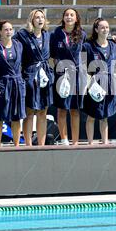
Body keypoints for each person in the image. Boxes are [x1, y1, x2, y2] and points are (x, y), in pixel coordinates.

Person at [14, 10, 54, 146]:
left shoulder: (47, 35)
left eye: (42, 17)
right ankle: (28, 144)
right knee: (30, 111)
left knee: (43, 112)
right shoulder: (22, 35)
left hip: (45, 74)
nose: (40, 20)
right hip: (30, 74)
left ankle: (41, 145)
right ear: (31, 20)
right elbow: (10, 44)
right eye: (37, 17)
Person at [50, 8, 87, 146]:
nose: (69, 17)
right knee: (62, 108)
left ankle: (75, 141)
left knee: (74, 109)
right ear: (63, 18)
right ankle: (64, 139)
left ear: (76, 18)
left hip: (76, 75)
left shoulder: (82, 34)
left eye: (72, 15)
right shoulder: (56, 33)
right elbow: (52, 54)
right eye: (66, 15)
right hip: (61, 74)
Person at [0, 21, 26, 147]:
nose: (8, 31)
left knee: (16, 117)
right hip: (1, 84)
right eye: (6, 29)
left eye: (10, 29)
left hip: (16, 83)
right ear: (0, 31)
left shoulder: (18, 45)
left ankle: (16, 145)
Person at [82, 18, 116, 145]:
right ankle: (90, 143)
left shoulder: (113, 45)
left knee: (105, 116)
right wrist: (89, 84)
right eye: (102, 27)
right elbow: (83, 67)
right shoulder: (88, 46)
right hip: (94, 84)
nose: (105, 30)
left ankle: (105, 142)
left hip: (109, 83)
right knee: (92, 115)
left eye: (107, 27)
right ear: (96, 29)